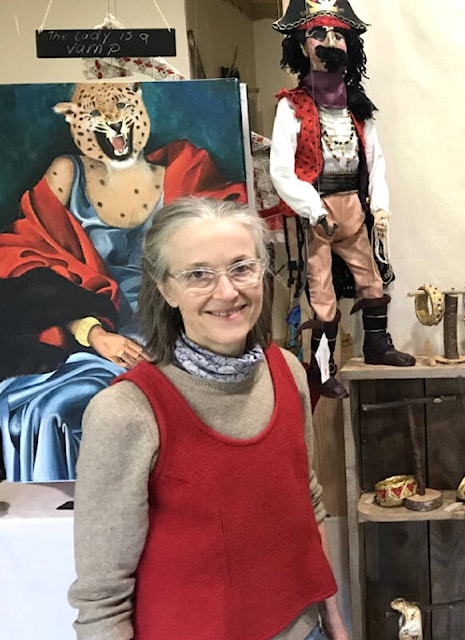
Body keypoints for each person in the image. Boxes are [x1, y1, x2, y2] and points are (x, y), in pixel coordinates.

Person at [68, 197, 349, 640]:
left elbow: (307, 503)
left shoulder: (288, 374)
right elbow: (102, 598)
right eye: (198, 274)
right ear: (166, 289)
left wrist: (333, 620)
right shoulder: (126, 413)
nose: (227, 292)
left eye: (242, 267)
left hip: (304, 628)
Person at [0, 81, 247, 481]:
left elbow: (231, 256)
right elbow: (29, 270)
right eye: (97, 115)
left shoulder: (185, 174)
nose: (114, 122)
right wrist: (93, 333)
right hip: (93, 340)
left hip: (178, 338)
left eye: (121, 107)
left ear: (139, 104)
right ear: (74, 122)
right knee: (53, 410)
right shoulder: (67, 174)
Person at [270, 0, 414, 403]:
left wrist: (380, 205)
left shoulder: (358, 108)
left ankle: (376, 345)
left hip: (354, 205)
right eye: (319, 34)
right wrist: (313, 210)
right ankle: (321, 368)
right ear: (302, 45)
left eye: (337, 34)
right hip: (316, 210)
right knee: (321, 292)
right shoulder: (291, 107)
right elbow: (281, 170)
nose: (329, 42)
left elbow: (376, 161)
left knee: (371, 279)